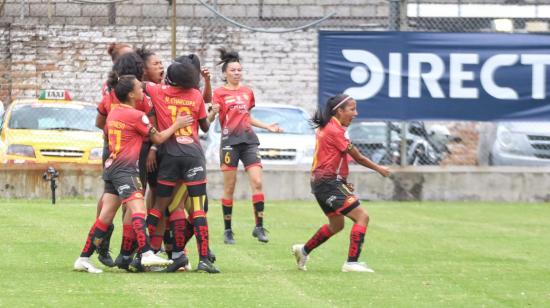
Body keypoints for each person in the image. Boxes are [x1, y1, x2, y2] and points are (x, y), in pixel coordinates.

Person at [74, 74, 187, 273]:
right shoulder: (136, 116)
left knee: (106, 215)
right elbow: (159, 138)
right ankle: (146, 253)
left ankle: (83, 258)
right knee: (138, 209)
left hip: (112, 166)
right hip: (126, 169)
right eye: (139, 88)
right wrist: (177, 125)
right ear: (131, 94)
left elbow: (108, 135)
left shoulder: (113, 113)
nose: (143, 90)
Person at [291, 94, 391, 273]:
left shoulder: (330, 127)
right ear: (340, 111)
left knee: (337, 225)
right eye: (352, 109)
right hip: (327, 183)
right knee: (362, 217)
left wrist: (343, 181)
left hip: (322, 182)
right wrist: (379, 169)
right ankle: (351, 263)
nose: (356, 113)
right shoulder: (334, 131)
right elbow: (358, 157)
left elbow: (333, 158)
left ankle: (303, 250)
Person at [145, 61, 219, 273]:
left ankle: (144, 252)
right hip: (194, 156)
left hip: (170, 155)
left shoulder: (159, 91)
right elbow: (205, 126)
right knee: (198, 208)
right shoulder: (195, 94)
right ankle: (204, 258)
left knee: (161, 206)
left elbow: (138, 85)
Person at [210, 48, 282, 245]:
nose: (237, 73)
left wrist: (267, 126)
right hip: (229, 143)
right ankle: (227, 230)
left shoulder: (247, 92)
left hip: (249, 141)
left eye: (239, 70)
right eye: (233, 70)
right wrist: (212, 112)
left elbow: (247, 117)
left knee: (257, 182)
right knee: (230, 187)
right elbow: (209, 119)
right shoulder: (219, 93)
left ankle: (259, 227)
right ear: (225, 73)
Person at [93, 52, 153, 269]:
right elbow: (152, 128)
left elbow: (100, 122)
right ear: (140, 71)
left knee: (110, 197)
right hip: (135, 153)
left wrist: (112, 131)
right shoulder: (142, 97)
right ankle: (126, 252)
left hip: (112, 149)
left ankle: (102, 243)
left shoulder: (110, 96)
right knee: (133, 200)